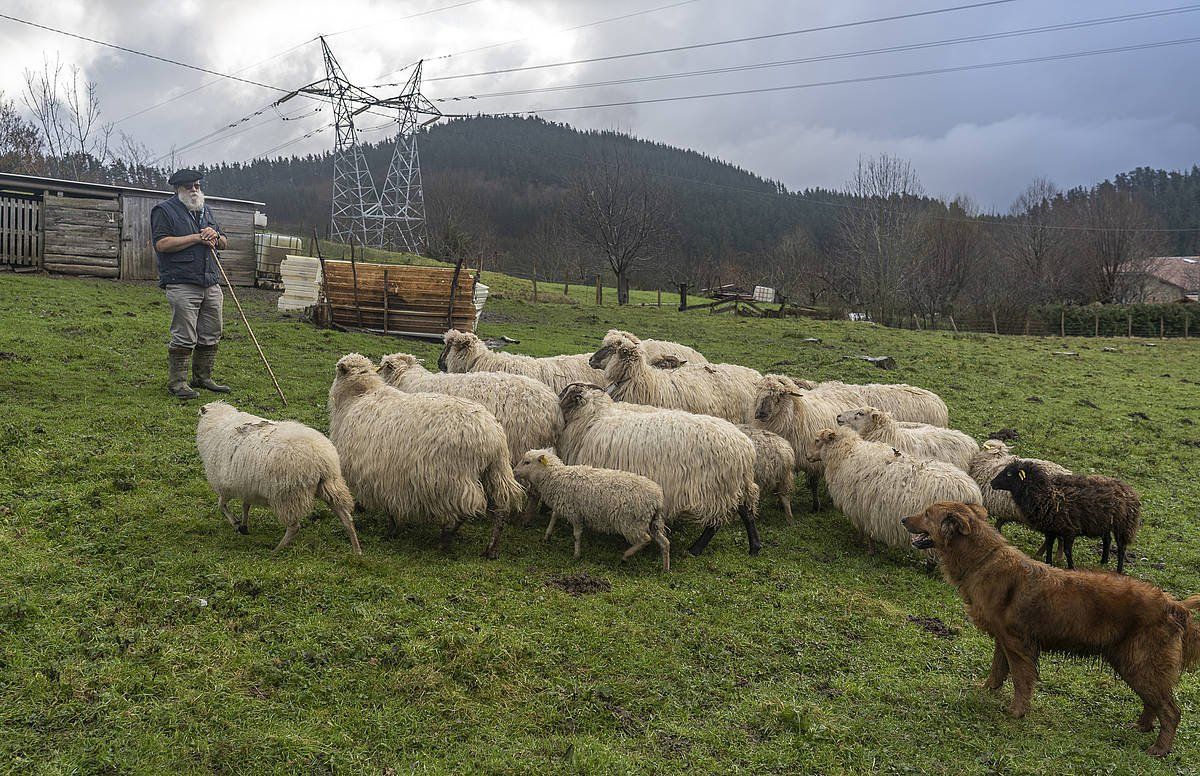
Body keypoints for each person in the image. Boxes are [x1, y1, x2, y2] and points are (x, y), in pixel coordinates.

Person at [151, 169, 231, 399]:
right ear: (177, 189)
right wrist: (197, 237)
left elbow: (224, 241)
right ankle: (177, 383)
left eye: (197, 185)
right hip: (181, 281)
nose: (194, 190)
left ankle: (203, 378)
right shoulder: (164, 211)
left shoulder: (206, 210)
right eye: (189, 187)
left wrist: (214, 235)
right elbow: (162, 244)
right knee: (184, 334)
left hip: (210, 280)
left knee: (212, 332)